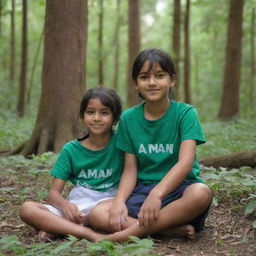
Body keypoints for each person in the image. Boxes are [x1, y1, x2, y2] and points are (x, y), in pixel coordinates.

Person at [89, 48, 213, 242]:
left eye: (160, 76)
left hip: (180, 191)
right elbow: (130, 169)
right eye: (144, 77)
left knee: (201, 193)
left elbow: (185, 163)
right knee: (99, 213)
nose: (152, 82)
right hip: (142, 191)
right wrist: (120, 202)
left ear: (172, 80)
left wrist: (157, 194)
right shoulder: (129, 119)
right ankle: (165, 231)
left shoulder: (185, 114)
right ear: (136, 84)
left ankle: (123, 235)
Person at [19, 86, 123, 242]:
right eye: (90, 112)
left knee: (102, 217)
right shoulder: (70, 150)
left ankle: (61, 228)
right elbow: (53, 194)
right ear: (82, 116)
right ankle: (87, 233)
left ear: (115, 118)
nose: (96, 118)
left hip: (107, 204)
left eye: (104, 113)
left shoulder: (121, 144)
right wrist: (65, 205)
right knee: (27, 209)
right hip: (77, 206)